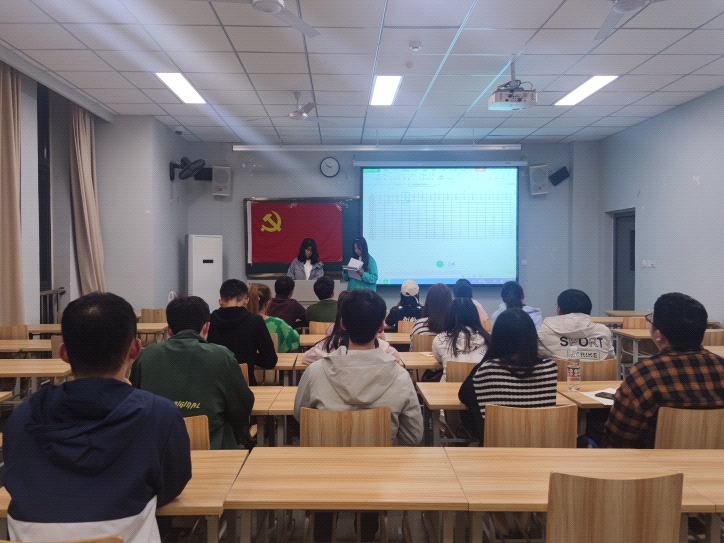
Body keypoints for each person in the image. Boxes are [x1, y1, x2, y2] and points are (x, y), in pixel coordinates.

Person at [3, 292, 191, 543]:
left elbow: (15, 477)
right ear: (135, 349)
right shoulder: (159, 414)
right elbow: (172, 484)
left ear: (63, 353)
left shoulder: (21, 417)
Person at [294, 289, 423, 446]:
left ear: (342, 324)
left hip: (328, 459)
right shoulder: (401, 377)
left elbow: (300, 416)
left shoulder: (314, 372)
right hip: (381, 461)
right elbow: (413, 436)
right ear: (381, 327)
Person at [130, 296, 255, 450]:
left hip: (158, 449)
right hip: (213, 449)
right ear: (207, 327)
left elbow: (133, 400)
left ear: (169, 330)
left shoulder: (147, 355)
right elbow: (242, 406)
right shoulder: (222, 356)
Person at [605, 292, 724, 448]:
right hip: (715, 461)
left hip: (656, 462)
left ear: (659, 335)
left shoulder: (644, 374)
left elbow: (619, 437)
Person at [458, 308, 558, 442]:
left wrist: (488, 356)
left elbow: (464, 394)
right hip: (541, 448)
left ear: (497, 339)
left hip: (498, 449)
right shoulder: (550, 368)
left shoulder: (488, 370)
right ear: (532, 337)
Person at [207, 279, 277, 386]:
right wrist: (250, 356)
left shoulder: (208, 321)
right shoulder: (255, 321)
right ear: (246, 301)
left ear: (220, 301)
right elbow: (270, 361)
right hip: (246, 386)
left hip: (214, 386)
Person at [302, 290, 400, 366]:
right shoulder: (386, 351)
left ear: (342, 324)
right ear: (381, 327)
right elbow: (397, 358)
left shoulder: (326, 348)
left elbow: (306, 358)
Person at [537, 289, 615, 360]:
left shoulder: (544, 332)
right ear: (589, 311)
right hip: (597, 372)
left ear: (559, 311)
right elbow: (610, 359)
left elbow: (536, 358)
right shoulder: (603, 331)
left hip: (558, 371)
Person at [432, 298, 491, 381]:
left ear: (449, 316)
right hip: (480, 387)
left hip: (449, 388)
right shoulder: (489, 340)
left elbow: (438, 359)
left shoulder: (440, 339)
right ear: (475, 316)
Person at [248, 283, 300, 353]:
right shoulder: (279, 324)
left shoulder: (239, 324)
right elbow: (295, 339)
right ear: (268, 303)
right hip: (274, 359)